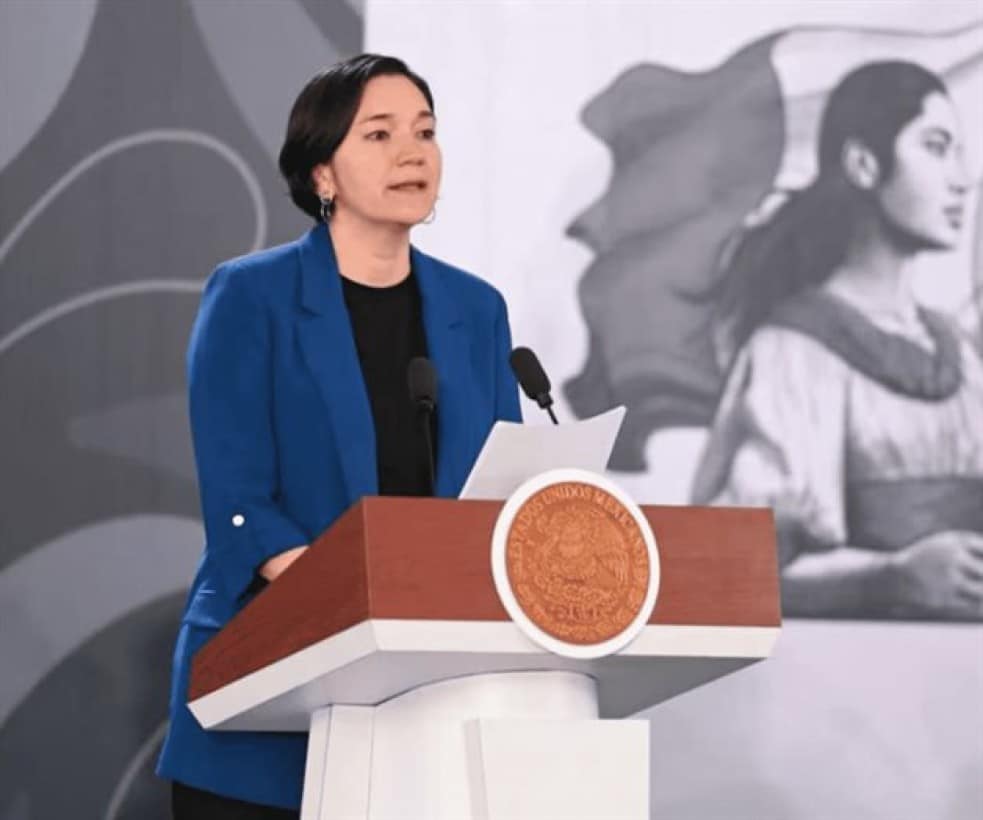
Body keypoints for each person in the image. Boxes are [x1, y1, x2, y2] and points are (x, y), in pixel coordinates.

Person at [156, 54, 522, 817]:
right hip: (271, 679)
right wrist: (361, 606)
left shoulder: (476, 309)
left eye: (424, 132)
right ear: (322, 172)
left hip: (430, 695)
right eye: (379, 134)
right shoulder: (251, 295)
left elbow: (496, 495)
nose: (411, 153)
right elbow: (239, 499)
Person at [691, 61, 983, 620]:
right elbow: (732, 565)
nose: (962, 179)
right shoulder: (794, 353)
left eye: (959, 153)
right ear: (863, 164)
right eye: (936, 147)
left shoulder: (963, 355)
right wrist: (891, 578)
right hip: (852, 665)